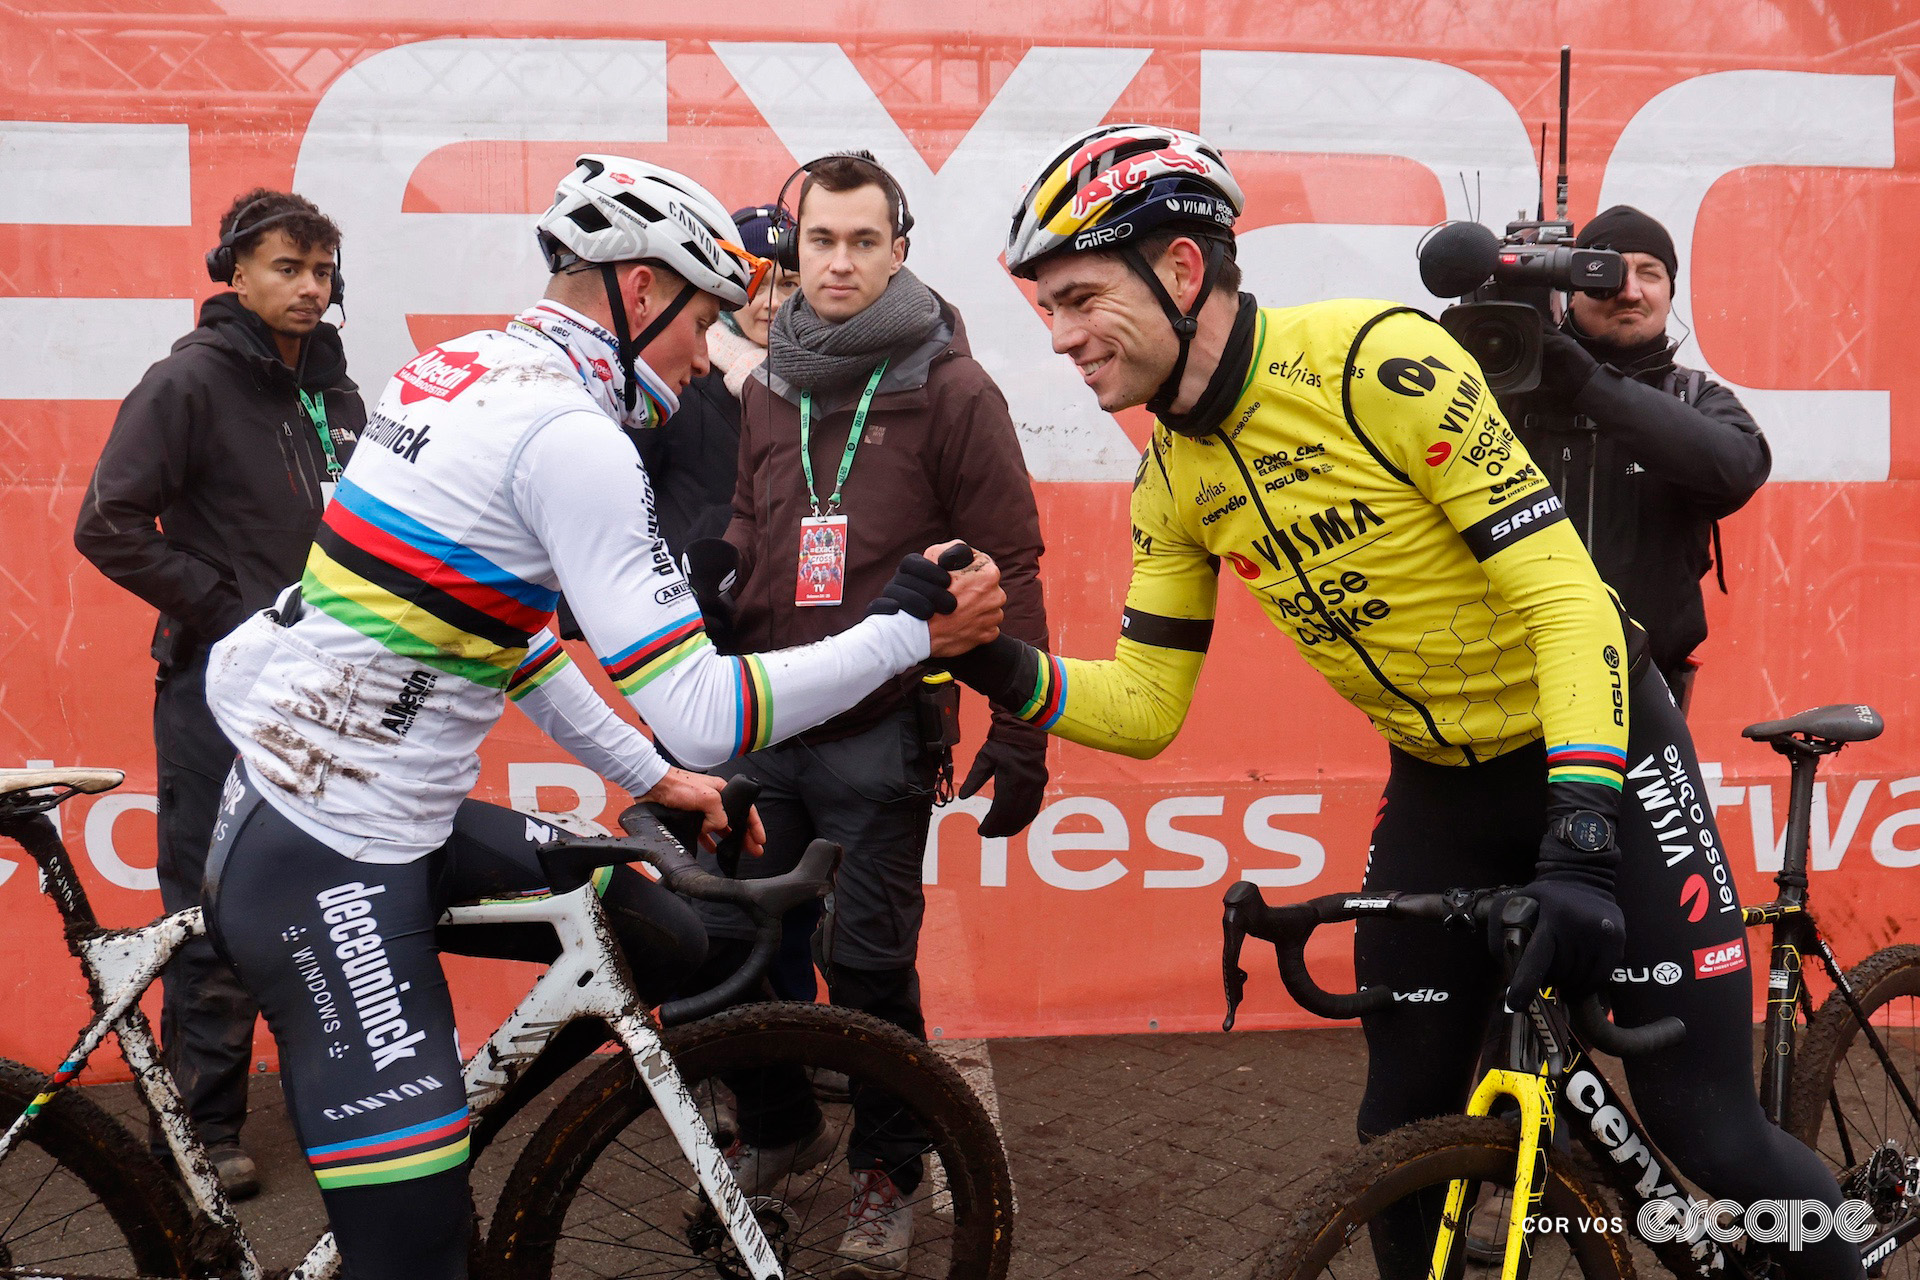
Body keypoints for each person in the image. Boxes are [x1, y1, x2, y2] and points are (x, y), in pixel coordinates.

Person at [941, 124, 1863, 1279]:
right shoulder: (1176, 475)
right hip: (1441, 785)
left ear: (1181, 270)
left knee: (1712, 1135)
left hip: (1600, 753)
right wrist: (988, 661)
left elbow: (1570, 604)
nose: (1063, 336)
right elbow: (1144, 706)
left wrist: (1577, 838)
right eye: (1047, 310)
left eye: (1079, 297)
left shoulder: (1372, 360)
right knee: (1402, 1136)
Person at [197, 154, 1004, 1280]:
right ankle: (411, 1155)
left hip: (377, 807)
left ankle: (458, 1115)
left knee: (672, 930)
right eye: (702, 317)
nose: (704, 351)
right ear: (638, 291)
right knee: (421, 1257)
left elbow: (511, 636)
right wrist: (911, 631)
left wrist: (654, 778)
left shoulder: (458, 368)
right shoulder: (570, 434)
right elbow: (708, 708)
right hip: (329, 853)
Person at [678, 150, 1048, 1274]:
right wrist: (714, 576)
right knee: (726, 934)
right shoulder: (768, 383)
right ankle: (786, 1124)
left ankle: (891, 1167)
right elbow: (756, 519)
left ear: (899, 249)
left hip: (884, 729)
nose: (836, 262)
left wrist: (1026, 732)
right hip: (765, 717)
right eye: (819, 241)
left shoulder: (952, 387)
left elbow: (1013, 564)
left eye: (861, 241)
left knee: (870, 962)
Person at [72, 188, 365, 1199]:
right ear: (234, 273)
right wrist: (234, 612)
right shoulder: (187, 383)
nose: (309, 289)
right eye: (288, 268)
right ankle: (202, 1128)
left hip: (324, 698)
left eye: (322, 272)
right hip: (215, 689)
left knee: (328, 901)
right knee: (208, 905)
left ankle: (343, 1109)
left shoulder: (337, 397)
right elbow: (107, 520)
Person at [1512, 204, 1770, 711]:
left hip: (1645, 701)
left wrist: (1587, 383)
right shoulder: (1506, 395)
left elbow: (1737, 470)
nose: (1630, 291)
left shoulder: (1695, 398)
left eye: (1650, 274)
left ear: (1671, 291)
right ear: (1566, 289)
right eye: (1606, 275)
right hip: (1503, 694)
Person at [634, 205, 800, 555]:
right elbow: (618, 504)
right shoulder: (677, 376)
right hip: (690, 594)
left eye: (787, 285)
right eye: (756, 284)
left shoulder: (831, 381)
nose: (771, 303)